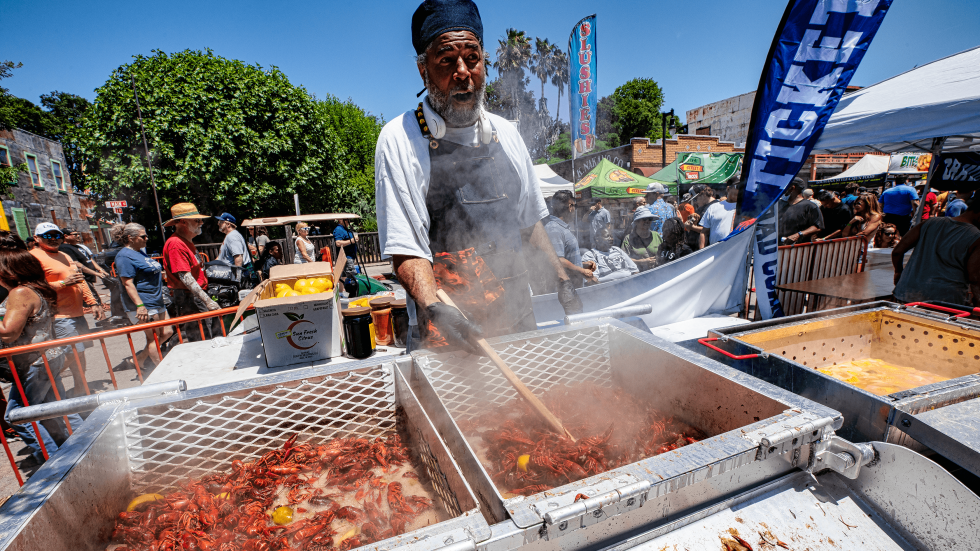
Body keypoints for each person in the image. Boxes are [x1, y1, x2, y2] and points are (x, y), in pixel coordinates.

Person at [375, 0, 582, 353]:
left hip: (518, 321)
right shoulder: (401, 138)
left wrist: (560, 277)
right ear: (423, 71)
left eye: (472, 58)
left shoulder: (506, 133)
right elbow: (406, 249)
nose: (462, 72)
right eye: (445, 60)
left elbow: (529, 223)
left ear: (483, 62)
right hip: (451, 329)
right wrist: (435, 308)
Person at [0, 232, 78, 466]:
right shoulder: (33, 288)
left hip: (35, 363)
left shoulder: (20, 292)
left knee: (18, 416)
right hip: (46, 359)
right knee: (58, 411)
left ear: (9, 271)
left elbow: (8, 332)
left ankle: (56, 465)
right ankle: (83, 452)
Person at [30, 223, 104, 390]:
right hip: (58, 315)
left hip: (76, 313)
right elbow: (32, 287)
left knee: (80, 351)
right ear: (37, 238)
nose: (54, 239)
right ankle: (43, 386)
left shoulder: (64, 255)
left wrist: (93, 302)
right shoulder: (33, 258)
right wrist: (62, 283)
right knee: (71, 353)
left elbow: (79, 279)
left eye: (57, 236)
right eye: (48, 236)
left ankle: (81, 387)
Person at [893, 197, 980, 306]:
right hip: (945, 302)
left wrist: (898, 272)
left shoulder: (930, 223)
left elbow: (897, 251)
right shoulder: (976, 236)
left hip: (907, 294)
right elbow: (975, 279)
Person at [115, 223, 173, 366]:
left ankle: (139, 359)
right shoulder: (124, 256)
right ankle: (161, 371)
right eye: (143, 236)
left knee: (167, 332)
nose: (147, 238)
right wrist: (140, 305)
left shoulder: (139, 252)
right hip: (144, 303)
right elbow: (128, 283)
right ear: (131, 238)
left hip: (157, 300)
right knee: (153, 338)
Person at [161, 203, 220, 341]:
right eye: (197, 220)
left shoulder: (186, 241)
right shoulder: (176, 244)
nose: (201, 223)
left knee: (206, 333)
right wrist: (207, 301)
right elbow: (185, 276)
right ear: (183, 222)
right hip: (189, 297)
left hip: (194, 296)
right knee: (200, 337)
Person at [529, 191, 598, 293]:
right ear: (570, 207)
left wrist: (582, 264)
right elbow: (557, 261)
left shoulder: (561, 228)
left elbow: (565, 259)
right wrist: (582, 271)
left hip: (573, 290)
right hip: (565, 294)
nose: (575, 210)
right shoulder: (554, 229)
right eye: (575, 206)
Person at [59, 227, 108, 309]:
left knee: (95, 297)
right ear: (66, 236)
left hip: (89, 277)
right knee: (93, 301)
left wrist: (100, 269)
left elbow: (90, 259)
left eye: (78, 234)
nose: (78, 236)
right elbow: (76, 264)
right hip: (83, 278)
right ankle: (101, 317)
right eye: (75, 234)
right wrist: (96, 273)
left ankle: (101, 312)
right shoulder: (64, 248)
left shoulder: (78, 246)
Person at [686, 180, 738, 247]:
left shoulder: (717, 205)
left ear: (703, 195)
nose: (695, 202)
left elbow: (707, 230)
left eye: (695, 199)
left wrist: (692, 227)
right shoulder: (703, 208)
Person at [778, 178, 824, 244]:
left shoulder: (810, 206)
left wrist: (798, 234)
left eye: (786, 186)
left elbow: (818, 227)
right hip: (779, 248)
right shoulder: (780, 204)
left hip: (798, 249)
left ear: (792, 187)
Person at [621, 207, 661, 272]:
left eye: (649, 219)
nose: (647, 221)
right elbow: (623, 260)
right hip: (639, 275)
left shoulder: (656, 235)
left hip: (657, 272)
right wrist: (642, 262)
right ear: (636, 222)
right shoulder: (629, 239)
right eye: (644, 219)